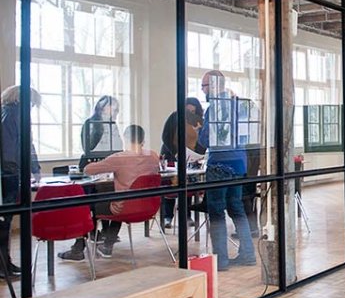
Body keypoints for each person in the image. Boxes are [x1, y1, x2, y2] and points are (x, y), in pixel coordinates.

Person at [59, 125, 159, 260]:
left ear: (125, 139)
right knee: (119, 198)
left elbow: (88, 170)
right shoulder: (153, 156)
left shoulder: (119, 158)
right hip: (146, 207)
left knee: (90, 205)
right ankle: (107, 244)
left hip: (124, 208)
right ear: (143, 140)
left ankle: (79, 249)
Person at [198, 70, 256, 271]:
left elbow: (205, 141)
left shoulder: (214, 108)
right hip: (239, 163)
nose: (202, 90)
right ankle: (248, 254)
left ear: (214, 86)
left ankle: (221, 260)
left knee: (216, 212)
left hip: (219, 165)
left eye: (204, 86)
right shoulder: (238, 104)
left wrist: (199, 131)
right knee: (237, 209)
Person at [0, 86, 41, 277]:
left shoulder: (13, 114)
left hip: (12, 174)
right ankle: (3, 264)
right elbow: (9, 148)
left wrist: (35, 168)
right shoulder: (11, 115)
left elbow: (27, 144)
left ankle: (5, 263)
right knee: (4, 222)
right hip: (9, 176)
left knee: (6, 222)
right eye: (32, 103)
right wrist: (17, 173)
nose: (32, 107)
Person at [159, 97, 205, 228]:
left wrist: (199, 155)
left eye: (193, 110)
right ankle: (168, 217)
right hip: (170, 154)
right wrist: (175, 153)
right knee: (170, 186)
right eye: (187, 110)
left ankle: (187, 215)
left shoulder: (198, 121)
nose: (190, 112)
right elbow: (165, 136)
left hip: (189, 157)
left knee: (187, 186)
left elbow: (202, 141)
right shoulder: (174, 117)